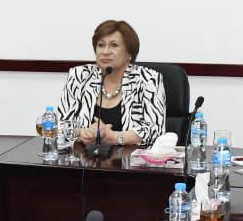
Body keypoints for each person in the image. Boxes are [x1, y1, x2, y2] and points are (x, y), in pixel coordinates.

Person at [54, 19, 166, 148]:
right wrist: (81, 133)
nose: (105, 51)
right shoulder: (80, 76)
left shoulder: (148, 79)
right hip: (83, 157)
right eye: (101, 45)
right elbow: (60, 125)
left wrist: (115, 137)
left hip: (130, 159)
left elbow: (155, 130)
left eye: (114, 45)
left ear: (129, 53)